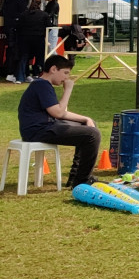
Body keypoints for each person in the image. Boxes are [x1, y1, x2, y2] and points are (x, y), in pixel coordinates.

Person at [16, 54, 100, 187]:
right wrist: (68, 90)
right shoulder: (41, 85)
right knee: (92, 134)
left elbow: (60, 111)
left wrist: (86, 119)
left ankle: (75, 177)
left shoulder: (43, 85)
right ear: (53, 69)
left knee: (89, 125)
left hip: (46, 126)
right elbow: (58, 113)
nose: (66, 78)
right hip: (38, 130)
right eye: (65, 73)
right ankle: (81, 180)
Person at [0, 0, 28, 83]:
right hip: (18, 29)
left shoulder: (6, 1)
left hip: (7, 27)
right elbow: (24, 16)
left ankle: (8, 71)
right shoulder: (22, 1)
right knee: (17, 51)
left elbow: (2, 13)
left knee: (10, 49)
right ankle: (14, 72)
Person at [17, 0, 50, 80]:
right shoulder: (44, 15)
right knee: (39, 57)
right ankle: (37, 73)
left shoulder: (23, 14)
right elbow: (49, 27)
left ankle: (21, 77)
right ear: (40, 4)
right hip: (39, 38)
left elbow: (19, 26)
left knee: (24, 57)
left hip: (25, 38)